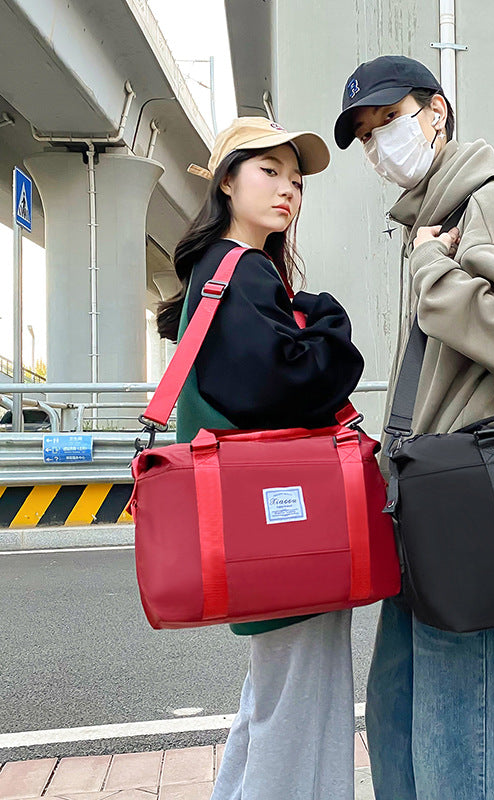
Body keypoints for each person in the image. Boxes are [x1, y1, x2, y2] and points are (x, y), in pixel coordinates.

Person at [334, 56, 494, 800]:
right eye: (368, 137)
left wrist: (435, 274)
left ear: (436, 111)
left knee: (462, 723)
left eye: (390, 121)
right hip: (431, 489)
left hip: (469, 489)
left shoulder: (485, 199)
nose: (380, 146)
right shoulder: (432, 213)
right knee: (404, 709)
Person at [156, 117, 365, 800]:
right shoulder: (240, 269)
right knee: (301, 714)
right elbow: (291, 386)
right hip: (289, 530)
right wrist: (327, 319)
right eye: (268, 172)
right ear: (226, 181)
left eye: (296, 181)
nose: (287, 191)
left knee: (272, 701)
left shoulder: (213, 274)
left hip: (256, 530)